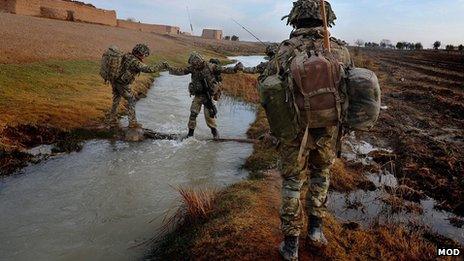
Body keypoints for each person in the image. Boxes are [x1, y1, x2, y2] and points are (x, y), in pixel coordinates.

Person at [261, 1, 353, 260]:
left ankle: (290, 246)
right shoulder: (339, 50)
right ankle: (315, 231)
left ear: (295, 19)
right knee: (321, 174)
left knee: (292, 182)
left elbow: (266, 88)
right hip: (328, 130)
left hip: (294, 131)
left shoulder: (285, 50)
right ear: (326, 20)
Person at [166, 52, 243, 139]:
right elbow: (181, 71)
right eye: (193, 64)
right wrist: (168, 68)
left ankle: (215, 133)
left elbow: (224, 69)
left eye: (195, 64)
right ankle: (190, 134)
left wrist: (235, 69)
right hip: (198, 95)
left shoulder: (210, 66)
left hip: (208, 96)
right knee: (193, 113)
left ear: (199, 61)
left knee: (209, 116)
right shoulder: (192, 68)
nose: (195, 66)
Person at [109, 44, 167, 128]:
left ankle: (112, 119)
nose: (144, 56)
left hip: (115, 80)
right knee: (131, 100)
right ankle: (132, 123)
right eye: (144, 54)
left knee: (116, 99)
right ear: (139, 53)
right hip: (122, 83)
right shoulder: (135, 62)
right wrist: (162, 65)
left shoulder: (127, 56)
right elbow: (150, 69)